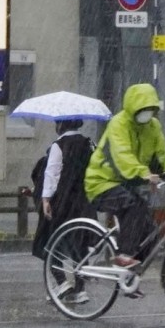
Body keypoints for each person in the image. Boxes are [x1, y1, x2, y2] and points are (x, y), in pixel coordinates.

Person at [84, 83, 165, 279]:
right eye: (142, 109)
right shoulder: (119, 123)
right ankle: (123, 255)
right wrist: (144, 174)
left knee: (151, 234)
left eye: (150, 109)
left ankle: (129, 277)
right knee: (133, 206)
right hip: (101, 182)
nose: (146, 113)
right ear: (133, 108)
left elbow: (163, 156)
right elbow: (122, 156)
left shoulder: (153, 127)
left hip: (126, 183)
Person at [32, 118, 96, 303]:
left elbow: (51, 174)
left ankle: (61, 283)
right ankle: (80, 289)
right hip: (84, 202)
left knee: (51, 242)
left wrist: (45, 200)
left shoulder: (58, 146)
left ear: (61, 125)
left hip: (63, 202)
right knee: (80, 245)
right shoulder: (89, 143)